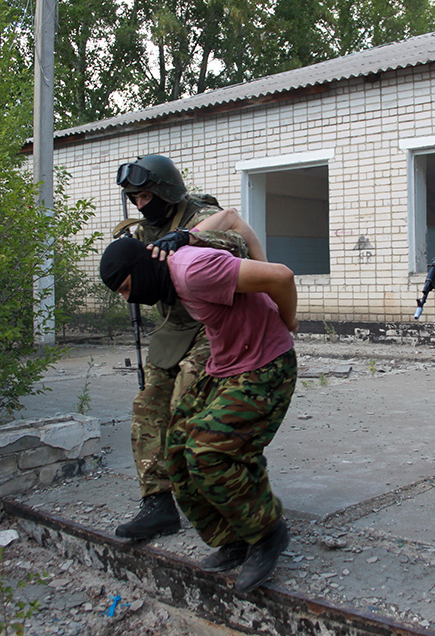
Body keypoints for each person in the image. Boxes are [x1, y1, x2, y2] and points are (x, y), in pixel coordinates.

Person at [99, 235, 298, 594]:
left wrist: (289, 321)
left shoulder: (191, 270)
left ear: (141, 270)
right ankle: (236, 535)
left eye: (127, 288)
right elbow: (218, 225)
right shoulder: (175, 272)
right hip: (226, 366)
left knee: (208, 450)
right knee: (175, 449)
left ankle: (267, 533)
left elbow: (281, 276)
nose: (128, 299)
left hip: (266, 365)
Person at [112, 154, 256, 540]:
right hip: (175, 325)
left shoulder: (199, 214)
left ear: (165, 191)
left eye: (146, 197)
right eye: (135, 199)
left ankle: (217, 496)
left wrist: (189, 238)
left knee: (185, 402)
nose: (141, 206)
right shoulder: (145, 229)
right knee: (148, 405)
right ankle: (157, 503)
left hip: (216, 323)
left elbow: (238, 242)